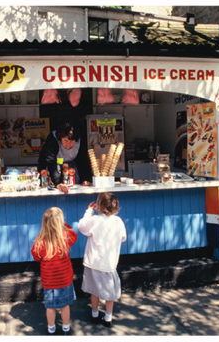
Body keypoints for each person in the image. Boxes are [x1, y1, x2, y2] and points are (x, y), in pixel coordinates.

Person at [78, 192, 127, 328]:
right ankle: (108, 317)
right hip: (109, 263)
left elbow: (82, 226)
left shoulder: (95, 220)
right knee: (109, 293)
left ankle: (94, 314)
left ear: (98, 206)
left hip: (93, 262)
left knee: (95, 290)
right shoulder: (118, 222)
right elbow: (123, 237)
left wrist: (89, 211)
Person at [31, 207, 78, 335]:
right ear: (60, 223)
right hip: (65, 280)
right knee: (65, 306)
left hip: (49, 282)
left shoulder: (40, 240)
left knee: (50, 307)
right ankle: (66, 328)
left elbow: (36, 256)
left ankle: (51, 329)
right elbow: (74, 234)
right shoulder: (65, 237)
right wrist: (65, 225)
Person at [38, 120, 92, 194]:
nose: (68, 144)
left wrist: (85, 178)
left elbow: (82, 160)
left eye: (71, 141)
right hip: (53, 168)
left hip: (71, 169)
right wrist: (58, 183)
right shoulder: (53, 139)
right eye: (66, 140)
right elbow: (50, 161)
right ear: (60, 138)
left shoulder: (79, 141)